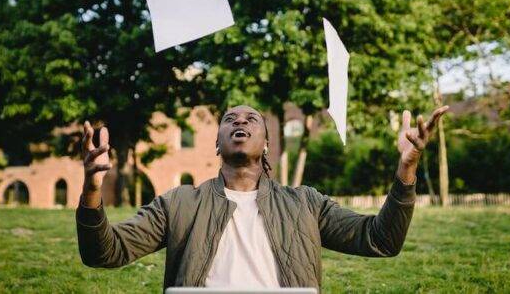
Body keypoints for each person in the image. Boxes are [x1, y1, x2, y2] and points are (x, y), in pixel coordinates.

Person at [76, 104, 449, 291]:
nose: (240, 121)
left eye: (251, 119)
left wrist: (407, 170)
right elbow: (104, 253)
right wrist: (93, 188)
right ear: (217, 143)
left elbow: (381, 240)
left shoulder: (305, 203)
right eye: (230, 119)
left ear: (267, 144)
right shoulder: (179, 203)